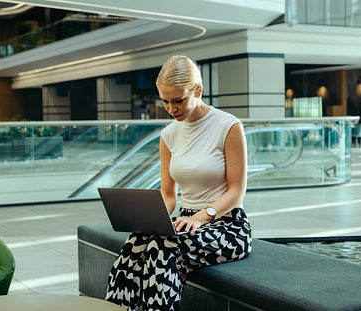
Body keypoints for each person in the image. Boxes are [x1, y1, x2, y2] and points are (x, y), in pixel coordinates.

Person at [105, 55, 252, 311]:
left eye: (178, 100)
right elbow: (168, 194)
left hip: (228, 226)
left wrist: (201, 217)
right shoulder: (169, 135)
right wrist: (147, 217)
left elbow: (237, 192)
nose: (171, 109)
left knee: (163, 248)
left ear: (198, 90)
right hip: (183, 223)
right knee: (133, 247)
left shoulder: (228, 126)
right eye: (164, 101)